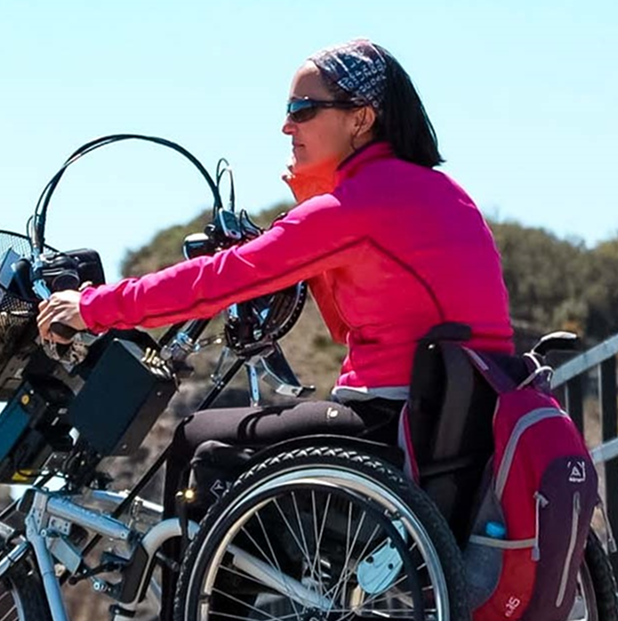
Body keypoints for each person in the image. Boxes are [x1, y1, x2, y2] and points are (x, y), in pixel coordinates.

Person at [37, 38, 514, 511]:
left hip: (390, 418)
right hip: (451, 426)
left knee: (196, 437)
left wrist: (90, 307)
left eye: (303, 109)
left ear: (361, 118)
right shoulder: (439, 191)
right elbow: (347, 319)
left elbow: (217, 280)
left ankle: (189, 567)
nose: (287, 125)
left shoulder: (358, 204)